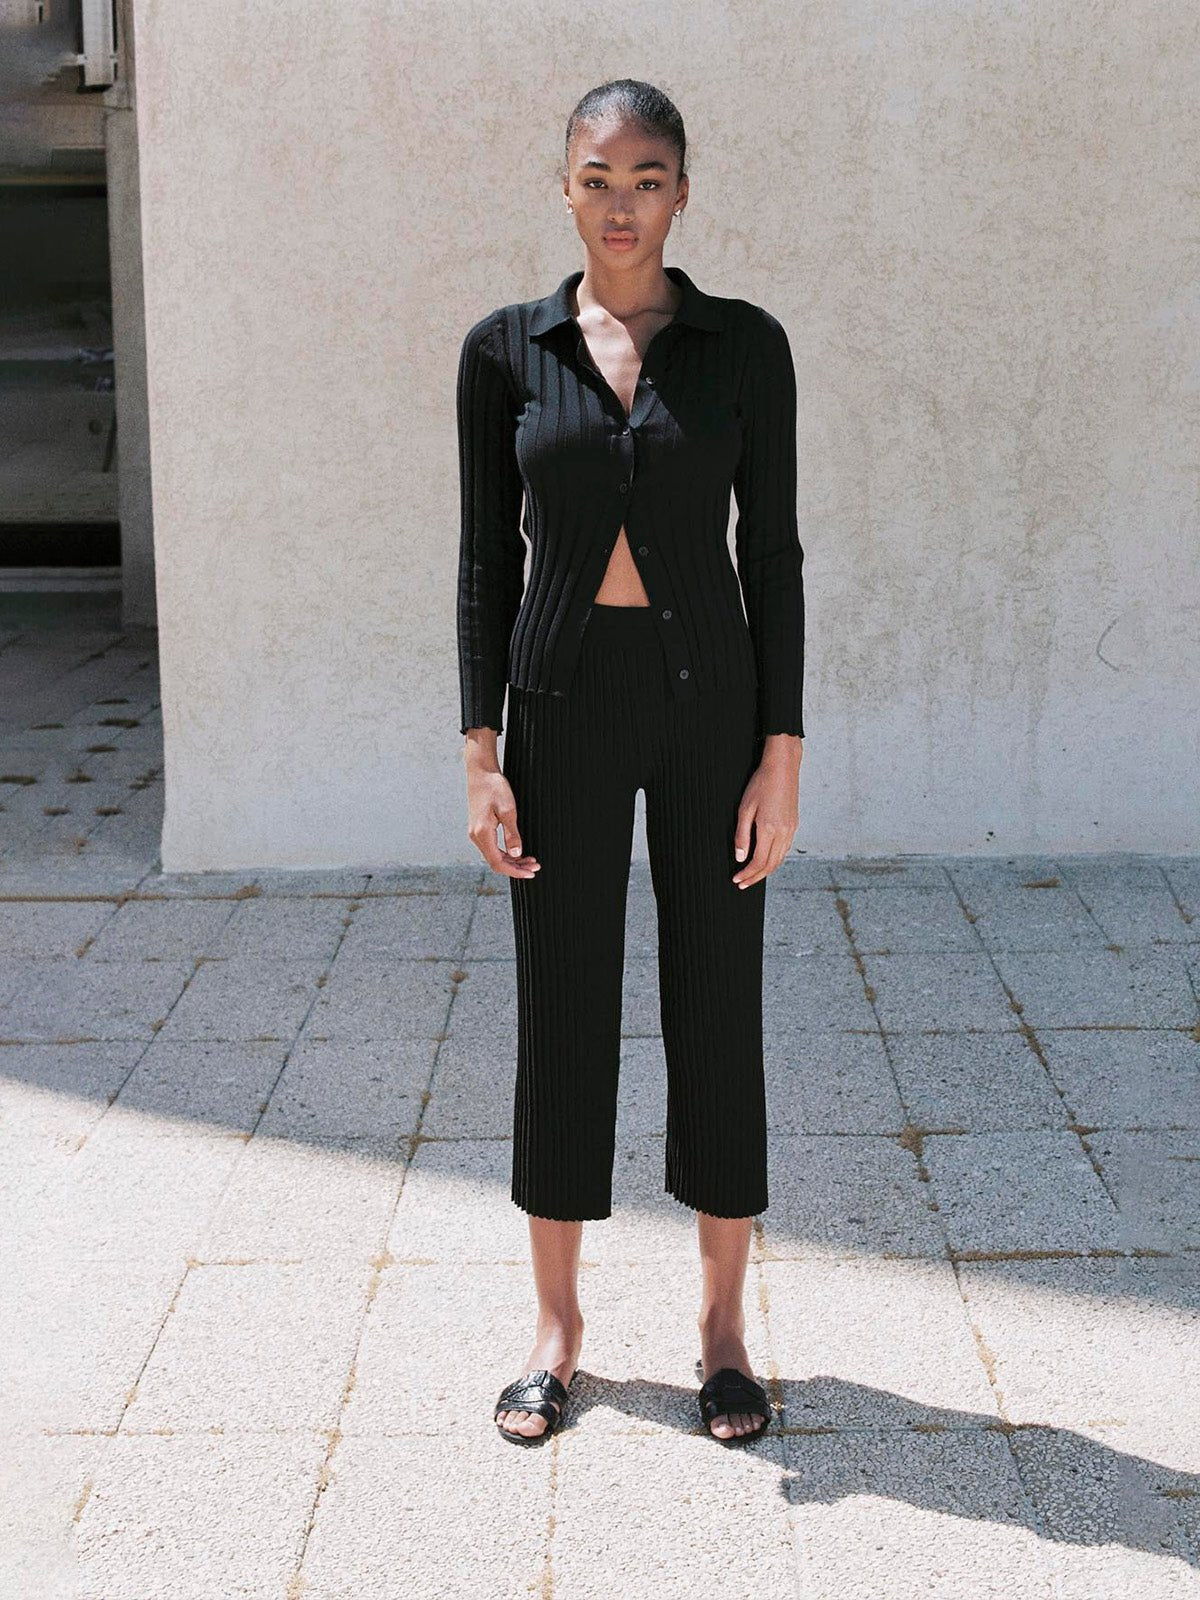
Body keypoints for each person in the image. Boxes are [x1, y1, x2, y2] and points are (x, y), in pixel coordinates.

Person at [456, 78, 805, 1448]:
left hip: (711, 702)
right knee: (563, 1004)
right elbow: (485, 561)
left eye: (646, 179)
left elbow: (772, 555)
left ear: (682, 193)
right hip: (562, 704)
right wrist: (481, 750)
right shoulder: (506, 352)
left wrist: (781, 752)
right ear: (565, 188)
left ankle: (722, 1330)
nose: (621, 204)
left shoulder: (744, 347)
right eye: (597, 178)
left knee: (717, 997)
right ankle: (557, 1331)